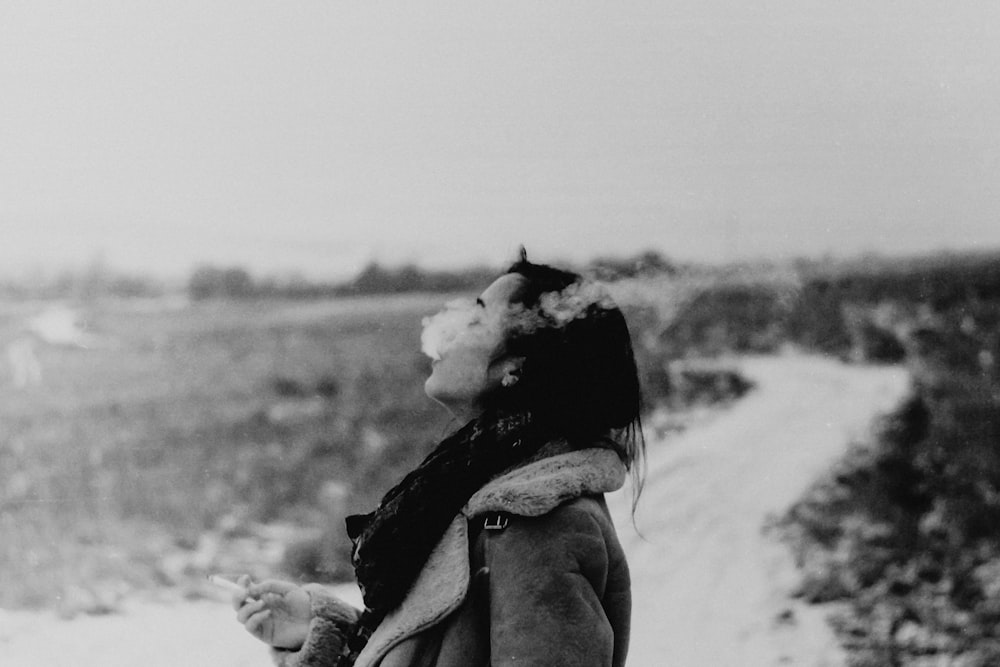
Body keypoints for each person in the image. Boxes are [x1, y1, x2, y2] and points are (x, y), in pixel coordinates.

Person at [232, 250, 644, 667]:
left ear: (515, 367)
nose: (447, 326)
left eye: (476, 317)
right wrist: (326, 634)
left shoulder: (536, 529)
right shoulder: (476, 491)